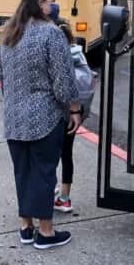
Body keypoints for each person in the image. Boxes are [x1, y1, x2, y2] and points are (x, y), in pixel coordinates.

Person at [0, 0, 81, 250]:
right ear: (40, 4)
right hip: (44, 116)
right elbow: (63, 80)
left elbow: (4, 79)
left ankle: (26, 226)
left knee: (22, 172)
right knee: (45, 172)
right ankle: (46, 232)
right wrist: (73, 109)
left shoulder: (9, 34)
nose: (53, 6)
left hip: (13, 116)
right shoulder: (51, 34)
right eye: (51, 2)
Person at [54, 21, 97, 213]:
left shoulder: (57, 58)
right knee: (67, 154)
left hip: (56, 115)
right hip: (75, 116)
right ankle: (65, 198)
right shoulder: (79, 56)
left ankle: (49, 191)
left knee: (49, 155)